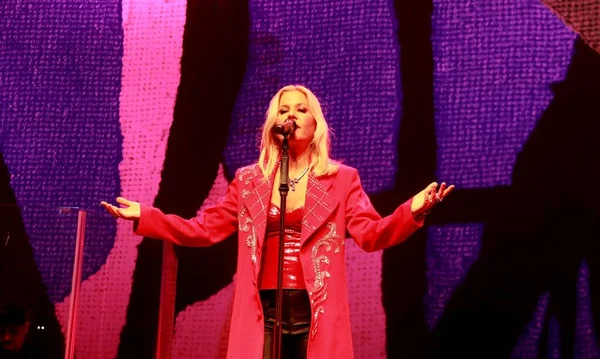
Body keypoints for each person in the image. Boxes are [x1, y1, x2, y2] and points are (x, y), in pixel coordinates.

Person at [102, 85, 454, 359]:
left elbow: (371, 234)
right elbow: (203, 229)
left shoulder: (341, 179)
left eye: (302, 109)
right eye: (283, 110)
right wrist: (147, 216)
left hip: (314, 310)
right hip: (262, 309)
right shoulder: (249, 181)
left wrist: (412, 209)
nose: (292, 115)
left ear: (316, 124)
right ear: (273, 124)